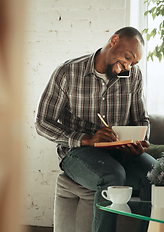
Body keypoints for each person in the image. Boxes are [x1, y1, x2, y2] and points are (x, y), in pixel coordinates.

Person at [35, 26, 157, 232]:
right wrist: (86, 139)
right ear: (114, 40)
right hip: (77, 152)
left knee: (156, 173)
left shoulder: (134, 77)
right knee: (113, 175)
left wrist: (141, 141)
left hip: (120, 150)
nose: (128, 66)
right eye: (127, 57)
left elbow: (140, 118)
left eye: (133, 63)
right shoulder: (67, 73)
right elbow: (42, 122)